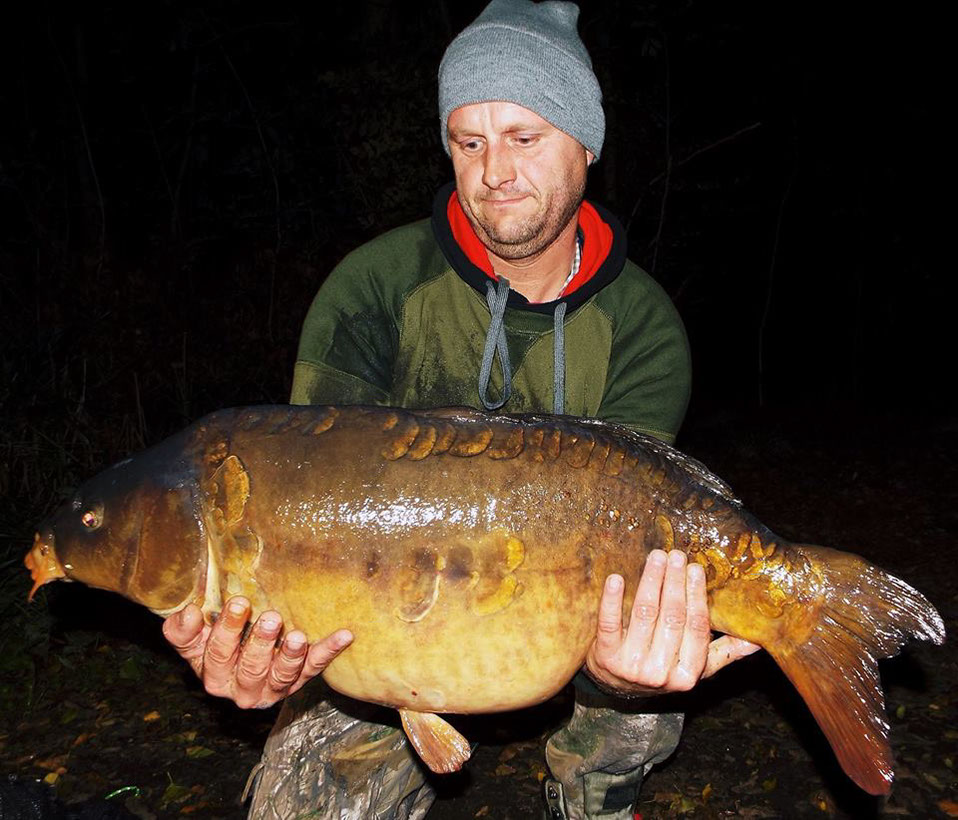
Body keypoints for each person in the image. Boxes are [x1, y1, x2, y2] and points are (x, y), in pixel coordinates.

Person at [162, 2, 759, 818]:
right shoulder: (372, 288)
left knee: (649, 671)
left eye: (524, 137)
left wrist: (619, 673)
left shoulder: (643, 327)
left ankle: (590, 793)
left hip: (571, 614)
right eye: (468, 142)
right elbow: (298, 520)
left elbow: (641, 523)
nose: (494, 172)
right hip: (383, 637)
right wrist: (265, 644)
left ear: (586, 143)